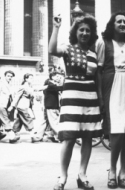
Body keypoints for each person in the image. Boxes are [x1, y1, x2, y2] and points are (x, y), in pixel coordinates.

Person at [49, 14, 102, 190]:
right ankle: (62, 177)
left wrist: (100, 102)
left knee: (87, 138)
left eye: (88, 30)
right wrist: (56, 27)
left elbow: (97, 78)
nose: (85, 33)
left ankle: (82, 175)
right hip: (72, 97)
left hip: (90, 98)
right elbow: (52, 50)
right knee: (69, 138)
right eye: (82, 30)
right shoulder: (68, 48)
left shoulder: (94, 54)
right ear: (76, 32)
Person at [97, 11, 125, 189]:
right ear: (112, 24)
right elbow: (98, 72)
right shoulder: (103, 43)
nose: (122, 24)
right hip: (112, 88)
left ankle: (123, 171)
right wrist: (100, 96)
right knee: (116, 132)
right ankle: (112, 170)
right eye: (119, 21)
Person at [33, 71, 63, 142]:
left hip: (49, 105)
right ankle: (60, 136)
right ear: (52, 77)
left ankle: (38, 136)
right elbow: (59, 88)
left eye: (60, 77)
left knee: (44, 121)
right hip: (52, 106)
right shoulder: (50, 84)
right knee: (54, 122)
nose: (59, 78)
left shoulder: (51, 84)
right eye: (57, 77)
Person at [0, 70, 15, 143]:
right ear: (5, 76)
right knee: (5, 119)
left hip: (5, 106)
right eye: (8, 76)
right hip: (0, 105)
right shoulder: (0, 83)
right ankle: (11, 136)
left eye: (11, 76)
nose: (10, 77)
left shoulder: (9, 84)